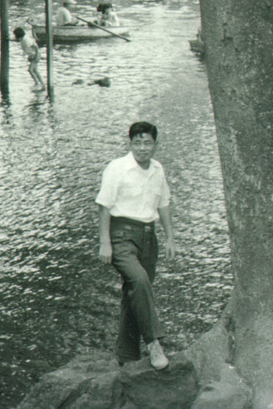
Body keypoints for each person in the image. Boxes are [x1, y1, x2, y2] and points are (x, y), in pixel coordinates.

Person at [97, 121, 177, 370]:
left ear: (155, 144)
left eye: (147, 142)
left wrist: (170, 237)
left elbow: (163, 204)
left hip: (148, 237)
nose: (142, 148)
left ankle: (126, 356)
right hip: (121, 235)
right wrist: (105, 243)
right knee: (139, 281)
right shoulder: (118, 168)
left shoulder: (158, 169)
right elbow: (104, 206)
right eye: (137, 142)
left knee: (136, 293)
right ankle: (154, 343)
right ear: (130, 144)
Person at [13, 26, 45, 91]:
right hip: (33, 55)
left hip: (36, 55)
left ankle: (37, 83)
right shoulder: (23, 38)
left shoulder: (26, 40)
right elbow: (18, 40)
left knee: (30, 70)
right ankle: (43, 84)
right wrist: (9, 39)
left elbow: (35, 47)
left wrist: (35, 56)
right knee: (35, 70)